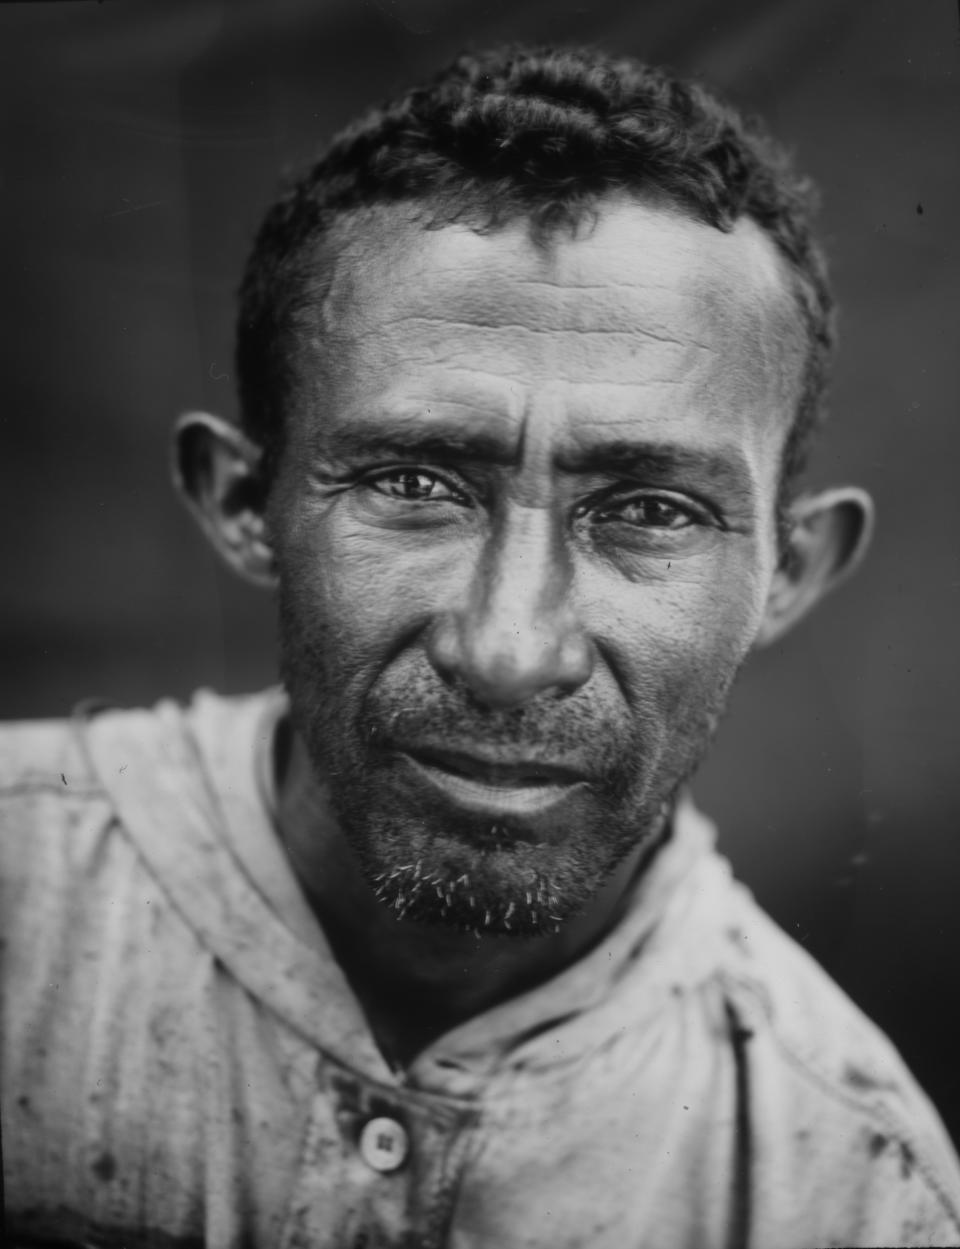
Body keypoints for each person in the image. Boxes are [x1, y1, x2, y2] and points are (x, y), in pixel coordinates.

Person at [2, 42, 958, 1249]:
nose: (511, 649)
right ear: (243, 501)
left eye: (652, 510)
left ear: (791, 570)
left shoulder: (850, 1187)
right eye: (413, 481)